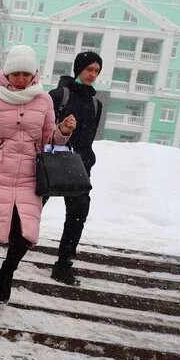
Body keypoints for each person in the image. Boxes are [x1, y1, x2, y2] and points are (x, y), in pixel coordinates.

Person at [0, 45, 76, 322]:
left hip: (30, 178)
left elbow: (47, 140)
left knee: (23, 237)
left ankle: (7, 271)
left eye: (25, 73)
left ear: (34, 74)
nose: (20, 79)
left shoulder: (43, 101)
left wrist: (62, 132)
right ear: (7, 73)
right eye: (15, 73)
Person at [47, 51, 103, 286]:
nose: (92, 74)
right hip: (51, 161)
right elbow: (43, 130)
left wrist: (87, 159)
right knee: (31, 207)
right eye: (89, 69)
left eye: (96, 71)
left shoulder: (96, 104)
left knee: (78, 215)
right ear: (78, 69)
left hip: (80, 166)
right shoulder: (58, 95)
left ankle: (63, 265)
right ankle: (14, 246)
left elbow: (89, 137)